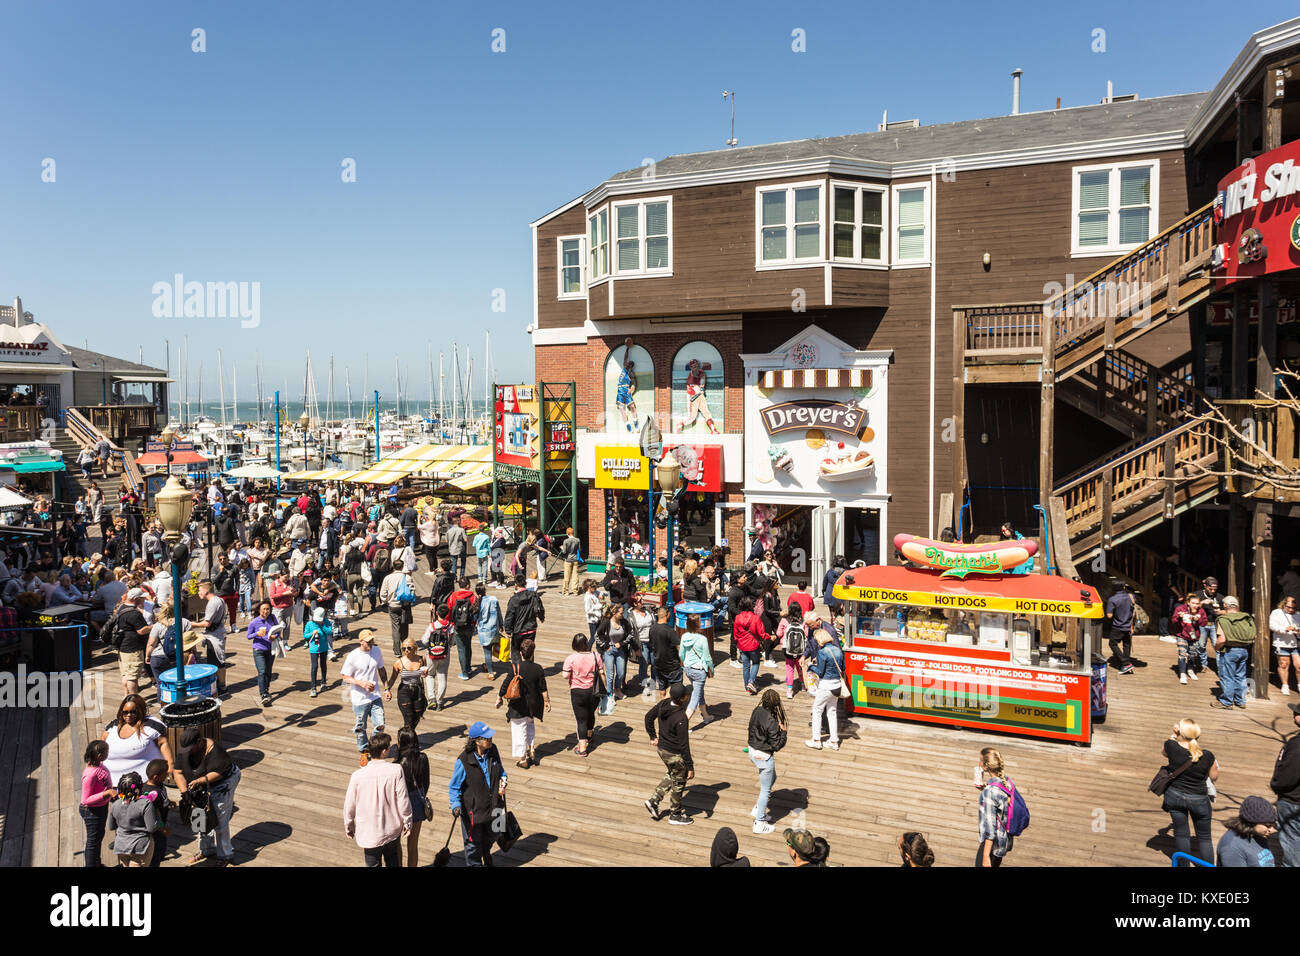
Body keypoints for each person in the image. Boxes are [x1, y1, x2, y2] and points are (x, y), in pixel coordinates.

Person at [173, 727, 241, 866]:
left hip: (223, 783)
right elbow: (177, 772)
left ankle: (225, 854)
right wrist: (184, 792)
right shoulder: (186, 750)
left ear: (200, 742)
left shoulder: (216, 751)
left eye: (190, 749)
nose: (187, 753)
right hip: (197, 786)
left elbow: (220, 773)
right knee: (199, 816)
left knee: (219, 817)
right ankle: (206, 849)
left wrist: (200, 781)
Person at [343, 731, 413, 867]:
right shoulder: (396, 770)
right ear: (384, 751)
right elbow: (403, 800)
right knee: (393, 861)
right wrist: (407, 821)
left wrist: (349, 825)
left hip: (369, 832)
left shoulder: (357, 776)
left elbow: (349, 804)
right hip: (392, 829)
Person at [1159, 718, 1218, 866]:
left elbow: (1164, 753)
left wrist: (1173, 734)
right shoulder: (1208, 756)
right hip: (1199, 800)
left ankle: (1183, 865)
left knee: (1181, 835)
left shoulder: (1171, 746)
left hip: (1175, 796)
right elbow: (1214, 777)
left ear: (1181, 732)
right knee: (1204, 838)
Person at [448, 722, 508, 867]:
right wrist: (456, 805)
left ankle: (486, 853)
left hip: (494, 806)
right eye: (487, 738)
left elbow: (501, 771)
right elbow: (454, 787)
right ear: (476, 741)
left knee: (493, 835)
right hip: (473, 813)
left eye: (490, 737)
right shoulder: (463, 761)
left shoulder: (493, 750)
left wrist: (504, 780)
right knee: (472, 847)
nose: (490, 740)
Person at [643, 683, 695, 826]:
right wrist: (690, 766)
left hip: (662, 749)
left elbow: (648, 717)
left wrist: (653, 736)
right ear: (684, 698)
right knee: (679, 782)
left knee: (673, 773)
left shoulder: (664, 704)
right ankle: (675, 814)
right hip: (674, 753)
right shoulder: (681, 718)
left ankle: (654, 801)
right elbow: (684, 745)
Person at [496, 637, 550, 769]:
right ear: (532, 653)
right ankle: (531, 747)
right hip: (533, 704)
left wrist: (499, 697)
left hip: (518, 706)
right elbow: (543, 687)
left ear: (521, 653)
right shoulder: (538, 668)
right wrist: (547, 701)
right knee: (530, 725)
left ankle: (523, 758)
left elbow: (505, 684)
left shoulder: (515, 667)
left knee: (519, 730)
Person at [341, 630, 392, 764]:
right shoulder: (353, 656)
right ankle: (364, 751)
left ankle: (372, 747)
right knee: (360, 727)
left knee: (380, 725)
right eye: (368, 641)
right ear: (361, 642)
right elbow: (345, 677)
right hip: (359, 699)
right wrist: (361, 683)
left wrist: (387, 688)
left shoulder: (377, 651)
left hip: (375, 696)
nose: (371, 643)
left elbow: (381, 669)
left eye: (372, 641)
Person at [102, 695, 171, 784]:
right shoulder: (112, 727)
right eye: (125, 712)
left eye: (133, 712)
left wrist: (170, 767)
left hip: (143, 784)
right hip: (110, 784)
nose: (129, 715)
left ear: (140, 711)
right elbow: (101, 744)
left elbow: (163, 743)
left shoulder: (152, 726)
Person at [747, 689, 787, 834]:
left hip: (752, 750)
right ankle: (759, 822)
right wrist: (783, 732)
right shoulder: (772, 721)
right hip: (764, 756)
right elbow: (777, 745)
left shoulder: (757, 710)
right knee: (765, 789)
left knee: (772, 778)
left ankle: (758, 808)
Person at [561, 634, 604, 757]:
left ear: (574, 645)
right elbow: (602, 672)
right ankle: (589, 735)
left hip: (578, 691)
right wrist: (606, 690)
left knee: (581, 720)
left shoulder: (571, 658)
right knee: (590, 713)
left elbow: (565, 675)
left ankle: (582, 748)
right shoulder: (596, 656)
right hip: (593, 691)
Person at [806, 623, 845, 751]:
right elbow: (843, 668)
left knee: (817, 711)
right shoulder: (838, 650)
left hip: (826, 686)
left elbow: (820, 672)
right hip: (837, 686)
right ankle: (834, 741)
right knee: (832, 712)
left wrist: (811, 667)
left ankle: (816, 740)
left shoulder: (822, 652)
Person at [975, 747, 1016, 867]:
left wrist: (985, 856)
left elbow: (990, 829)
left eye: (981, 761)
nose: (979, 763)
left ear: (986, 766)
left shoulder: (989, 792)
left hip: (992, 846)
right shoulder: (1007, 782)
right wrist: (986, 786)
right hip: (1003, 842)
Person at [1271, 702, 1300, 867]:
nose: (1294, 714)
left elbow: (1288, 777)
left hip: (1293, 803)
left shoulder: (1296, 746)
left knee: (1292, 848)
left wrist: (1276, 784)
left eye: (1296, 712)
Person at [394, 728, 429, 867]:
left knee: (397, 843)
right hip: (418, 801)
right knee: (413, 845)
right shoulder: (423, 758)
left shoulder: (397, 765)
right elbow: (426, 783)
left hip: (400, 804)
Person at [108, 772, 158, 866]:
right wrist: (158, 820)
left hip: (121, 846)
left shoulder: (115, 805)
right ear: (139, 788)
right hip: (140, 847)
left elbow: (111, 826)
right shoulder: (146, 804)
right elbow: (151, 828)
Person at [1214, 596, 1256, 709]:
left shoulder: (1223, 619)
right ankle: (1240, 701)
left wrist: (1216, 647)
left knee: (1227, 676)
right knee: (1241, 676)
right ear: (1237, 606)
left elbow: (1222, 639)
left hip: (1230, 650)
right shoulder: (1246, 618)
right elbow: (1254, 635)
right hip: (1244, 650)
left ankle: (1226, 702)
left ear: (1225, 605)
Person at [110, 588, 153, 697]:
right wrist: (155, 626)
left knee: (125, 674)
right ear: (136, 599)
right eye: (142, 597)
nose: (144, 599)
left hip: (122, 647)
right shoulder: (134, 613)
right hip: (133, 649)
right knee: (133, 677)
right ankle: (134, 699)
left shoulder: (121, 607)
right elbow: (142, 630)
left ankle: (126, 696)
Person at [80, 740, 115, 868]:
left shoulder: (99, 765)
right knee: (92, 842)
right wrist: (106, 794)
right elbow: (86, 800)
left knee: (98, 837)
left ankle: (96, 863)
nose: (108, 754)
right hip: (91, 811)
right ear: (99, 755)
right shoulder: (90, 774)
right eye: (106, 752)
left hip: (101, 807)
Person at [191, 579, 230, 694]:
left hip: (214, 636)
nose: (198, 593)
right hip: (219, 633)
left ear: (205, 590)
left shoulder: (212, 603)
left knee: (215, 662)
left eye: (199, 590)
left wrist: (192, 624)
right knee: (219, 660)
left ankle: (220, 687)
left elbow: (207, 623)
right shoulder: (220, 600)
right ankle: (222, 685)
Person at [1216, 797, 1278, 867]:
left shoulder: (1258, 834)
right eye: (1268, 825)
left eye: (1273, 824)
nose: (1272, 830)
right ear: (1252, 823)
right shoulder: (1232, 848)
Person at [594, 603, 632, 714]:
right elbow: (597, 635)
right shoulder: (606, 623)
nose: (622, 614)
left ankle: (617, 689)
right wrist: (606, 647)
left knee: (621, 672)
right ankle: (609, 694)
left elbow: (630, 634)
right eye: (621, 613)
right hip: (609, 651)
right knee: (610, 674)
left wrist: (622, 643)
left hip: (620, 650)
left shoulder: (624, 622)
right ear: (615, 613)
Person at [679, 613, 714, 725]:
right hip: (699, 671)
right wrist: (711, 670)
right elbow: (707, 657)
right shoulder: (702, 639)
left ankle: (706, 716)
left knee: (698, 692)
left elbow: (681, 654)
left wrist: (686, 663)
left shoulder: (684, 636)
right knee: (694, 699)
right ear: (698, 624)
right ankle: (681, 724)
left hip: (688, 669)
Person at [388, 637, 429, 731]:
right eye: (403, 648)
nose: (406, 650)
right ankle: (407, 740)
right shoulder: (399, 662)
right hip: (404, 690)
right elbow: (393, 678)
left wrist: (425, 674)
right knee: (408, 717)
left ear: (415, 648)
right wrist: (387, 689)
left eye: (409, 648)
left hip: (418, 689)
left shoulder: (421, 659)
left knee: (417, 716)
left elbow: (424, 675)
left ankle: (407, 736)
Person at [502, 573, 544, 663]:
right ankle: (530, 669)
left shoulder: (514, 599)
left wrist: (508, 630)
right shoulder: (534, 595)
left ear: (516, 585)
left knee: (515, 652)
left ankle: (519, 672)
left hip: (518, 631)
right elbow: (540, 607)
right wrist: (541, 617)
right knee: (529, 650)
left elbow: (509, 616)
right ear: (525, 583)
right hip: (531, 629)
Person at [378, 559, 416, 658]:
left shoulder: (388, 578)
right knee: (404, 627)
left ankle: (397, 651)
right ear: (403, 566)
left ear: (393, 566)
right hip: (404, 605)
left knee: (395, 628)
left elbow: (383, 593)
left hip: (393, 605)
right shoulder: (407, 577)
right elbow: (412, 590)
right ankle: (406, 647)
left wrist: (385, 601)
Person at [732, 596, 768, 695]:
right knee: (756, 663)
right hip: (753, 645)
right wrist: (769, 637)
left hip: (742, 645)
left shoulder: (737, 617)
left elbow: (735, 633)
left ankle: (747, 687)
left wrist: (737, 642)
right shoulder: (755, 618)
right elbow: (761, 633)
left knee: (746, 666)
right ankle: (751, 682)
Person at [1170, 593, 1208, 685]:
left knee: (1192, 655)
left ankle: (1190, 670)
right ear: (1188, 603)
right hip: (1182, 635)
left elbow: (1204, 623)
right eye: (1193, 603)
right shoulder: (1180, 609)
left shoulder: (1201, 611)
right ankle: (1182, 674)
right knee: (1182, 654)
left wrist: (1197, 618)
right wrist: (1179, 617)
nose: (1195, 605)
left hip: (1194, 636)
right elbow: (1173, 620)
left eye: (1197, 603)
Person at [420, 604, 452, 711]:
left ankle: (432, 698)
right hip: (445, 654)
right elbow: (452, 642)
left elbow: (424, 641)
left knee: (430, 675)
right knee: (442, 676)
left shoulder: (432, 626)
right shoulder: (450, 626)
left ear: (437, 613)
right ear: (447, 614)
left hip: (431, 655)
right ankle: (440, 702)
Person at [246, 599, 278, 707]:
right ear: (259, 610)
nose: (266, 611)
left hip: (270, 649)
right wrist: (257, 634)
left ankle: (266, 689)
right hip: (258, 650)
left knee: (268, 672)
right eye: (263, 609)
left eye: (268, 609)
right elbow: (248, 636)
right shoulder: (254, 622)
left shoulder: (272, 618)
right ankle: (263, 694)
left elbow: (278, 630)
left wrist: (275, 636)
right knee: (262, 671)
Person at [447, 576, 478, 680]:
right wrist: (474, 623)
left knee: (461, 649)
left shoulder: (453, 596)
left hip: (457, 625)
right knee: (468, 646)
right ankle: (468, 667)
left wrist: (450, 623)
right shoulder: (473, 596)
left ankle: (464, 673)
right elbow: (475, 611)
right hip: (469, 625)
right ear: (468, 585)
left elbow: (449, 610)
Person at [1105, 579, 1137, 674]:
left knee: (1112, 644)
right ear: (1124, 587)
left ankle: (1126, 663)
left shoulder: (1112, 599)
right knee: (1126, 645)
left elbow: (1109, 615)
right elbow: (1134, 610)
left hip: (1118, 626)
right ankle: (1125, 666)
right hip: (1128, 625)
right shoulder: (1131, 596)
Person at [650, 606, 681, 701]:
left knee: (662, 686)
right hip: (672, 665)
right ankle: (668, 704)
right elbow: (679, 647)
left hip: (658, 663)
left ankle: (663, 701)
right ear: (667, 615)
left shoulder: (652, 628)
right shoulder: (670, 631)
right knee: (675, 686)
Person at [1271, 595, 1300, 696]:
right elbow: (1272, 625)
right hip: (1281, 642)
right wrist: (1284, 629)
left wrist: (1297, 630)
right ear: (1283, 604)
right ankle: (1285, 685)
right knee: (1284, 665)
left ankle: (1299, 685)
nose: (1291, 609)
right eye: (1289, 607)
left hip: (1296, 644)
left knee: (1298, 666)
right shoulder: (1276, 613)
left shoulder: (1298, 615)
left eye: (1293, 608)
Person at [776, 605, 807, 699]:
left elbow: (778, 633)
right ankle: (803, 684)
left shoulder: (784, 620)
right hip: (800, 650)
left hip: (787, 649)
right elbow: (806, 635)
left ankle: (789, 690)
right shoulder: (803, 621)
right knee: (800, 667)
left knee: (789, 668)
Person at [303, 605, 333, 697]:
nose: (318, 621)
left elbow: (329, 632)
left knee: (323, 665)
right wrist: (311, 633)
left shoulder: (326, 622)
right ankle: (313, 687)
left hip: (323, 647)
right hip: (314, 649)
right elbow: (305, 635)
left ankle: (323, 682)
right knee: (314, 667)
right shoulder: (309, 624)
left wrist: (322, 625)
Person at [474, 581, 500, 678]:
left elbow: (474, 618)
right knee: (493, 649)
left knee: (487, 653)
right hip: (494, 629)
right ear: (485, 590)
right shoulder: (493, 599)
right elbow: (499, 613)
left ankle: (490, 672)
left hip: (484, 631)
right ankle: (488, 665)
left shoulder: (478, 603)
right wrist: (501, 625)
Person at [559, 527, 582, 595]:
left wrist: (561, 548)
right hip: (575, 559)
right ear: (573, 533)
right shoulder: (577, 540)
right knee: (575, 576)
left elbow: (564, 552)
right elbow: (580, 550)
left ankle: (566, 591)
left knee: (567, 576)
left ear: (567, 533)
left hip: (568, 560)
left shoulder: (565, 541)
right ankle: (575, 591)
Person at [445, 515, 467, 580]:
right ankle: (462, 575)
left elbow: (446, 541)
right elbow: (465, 540)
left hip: (452, 548)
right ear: (458, 522)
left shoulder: (449, 531)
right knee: (463, 561)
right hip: (461, 547)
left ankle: (454, 576)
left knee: (454, 563)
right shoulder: (461, 530)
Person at [583, 579, 603, 643]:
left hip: (598, 619)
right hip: (592, 620)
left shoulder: (595, 592)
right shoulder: (587, 597)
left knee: (599, 636)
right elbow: (587, 611)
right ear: (589, 587)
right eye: (594, 587)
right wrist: (597, 610)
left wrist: (601, 595)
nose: (596, 588)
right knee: (593, 637)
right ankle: (587, 650)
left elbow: (602, 593)